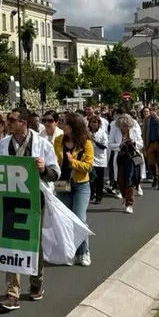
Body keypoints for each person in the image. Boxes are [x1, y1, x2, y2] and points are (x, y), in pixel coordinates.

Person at [0, 107, 59, 312]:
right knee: (11, 243)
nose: (7, 123)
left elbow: (55, 173)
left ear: (23, 123)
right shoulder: (3, 144)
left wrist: (43, 169)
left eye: (11, 120)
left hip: (35, 199)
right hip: (11, 200)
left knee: (34, 243)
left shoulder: (42, 144)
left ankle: (36, 282)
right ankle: (12, 292)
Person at [55, 113, 94, 266]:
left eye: (65, 123)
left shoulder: (86, 143)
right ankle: (70, 253)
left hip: (81, 185)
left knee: (79, 219)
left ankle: (83, 252)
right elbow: (55, 160)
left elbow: (88, 167)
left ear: (73, 126)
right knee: (66, 220)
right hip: (63, 184)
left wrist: (73, 162)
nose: (62, 125)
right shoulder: (58, 140)